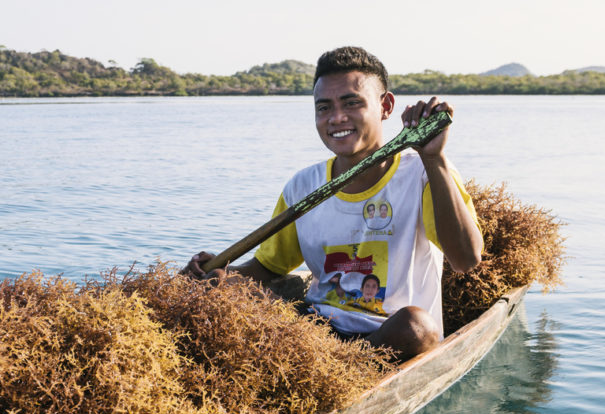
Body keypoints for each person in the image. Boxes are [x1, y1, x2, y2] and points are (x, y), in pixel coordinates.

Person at [184, 46, 482, 360]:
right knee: (220, 285)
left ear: (386, 106)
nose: (337, 118)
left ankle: (348, 369)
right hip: (316, 329)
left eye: (352, 103)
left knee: (418, 326)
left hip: (389, 337)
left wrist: (433, 158)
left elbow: (466, 259)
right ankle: (328, 363)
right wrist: (217, 270)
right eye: (324, 108)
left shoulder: (424, 173)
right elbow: (267, 267)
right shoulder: (302, 186)